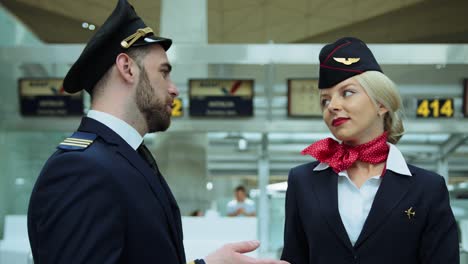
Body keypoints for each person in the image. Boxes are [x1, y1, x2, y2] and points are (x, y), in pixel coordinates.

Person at [26, 1, 289, 264]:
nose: (174, 89)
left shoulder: (121, 158)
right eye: (164, 73)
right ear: (127, 68)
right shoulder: (80, 169)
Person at [281, 37, 459, 264]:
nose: (332, 106)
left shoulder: (427, 188)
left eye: (347, 93)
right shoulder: (302, 181)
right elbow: (294, 258)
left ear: (382, 104)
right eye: (325, 100)